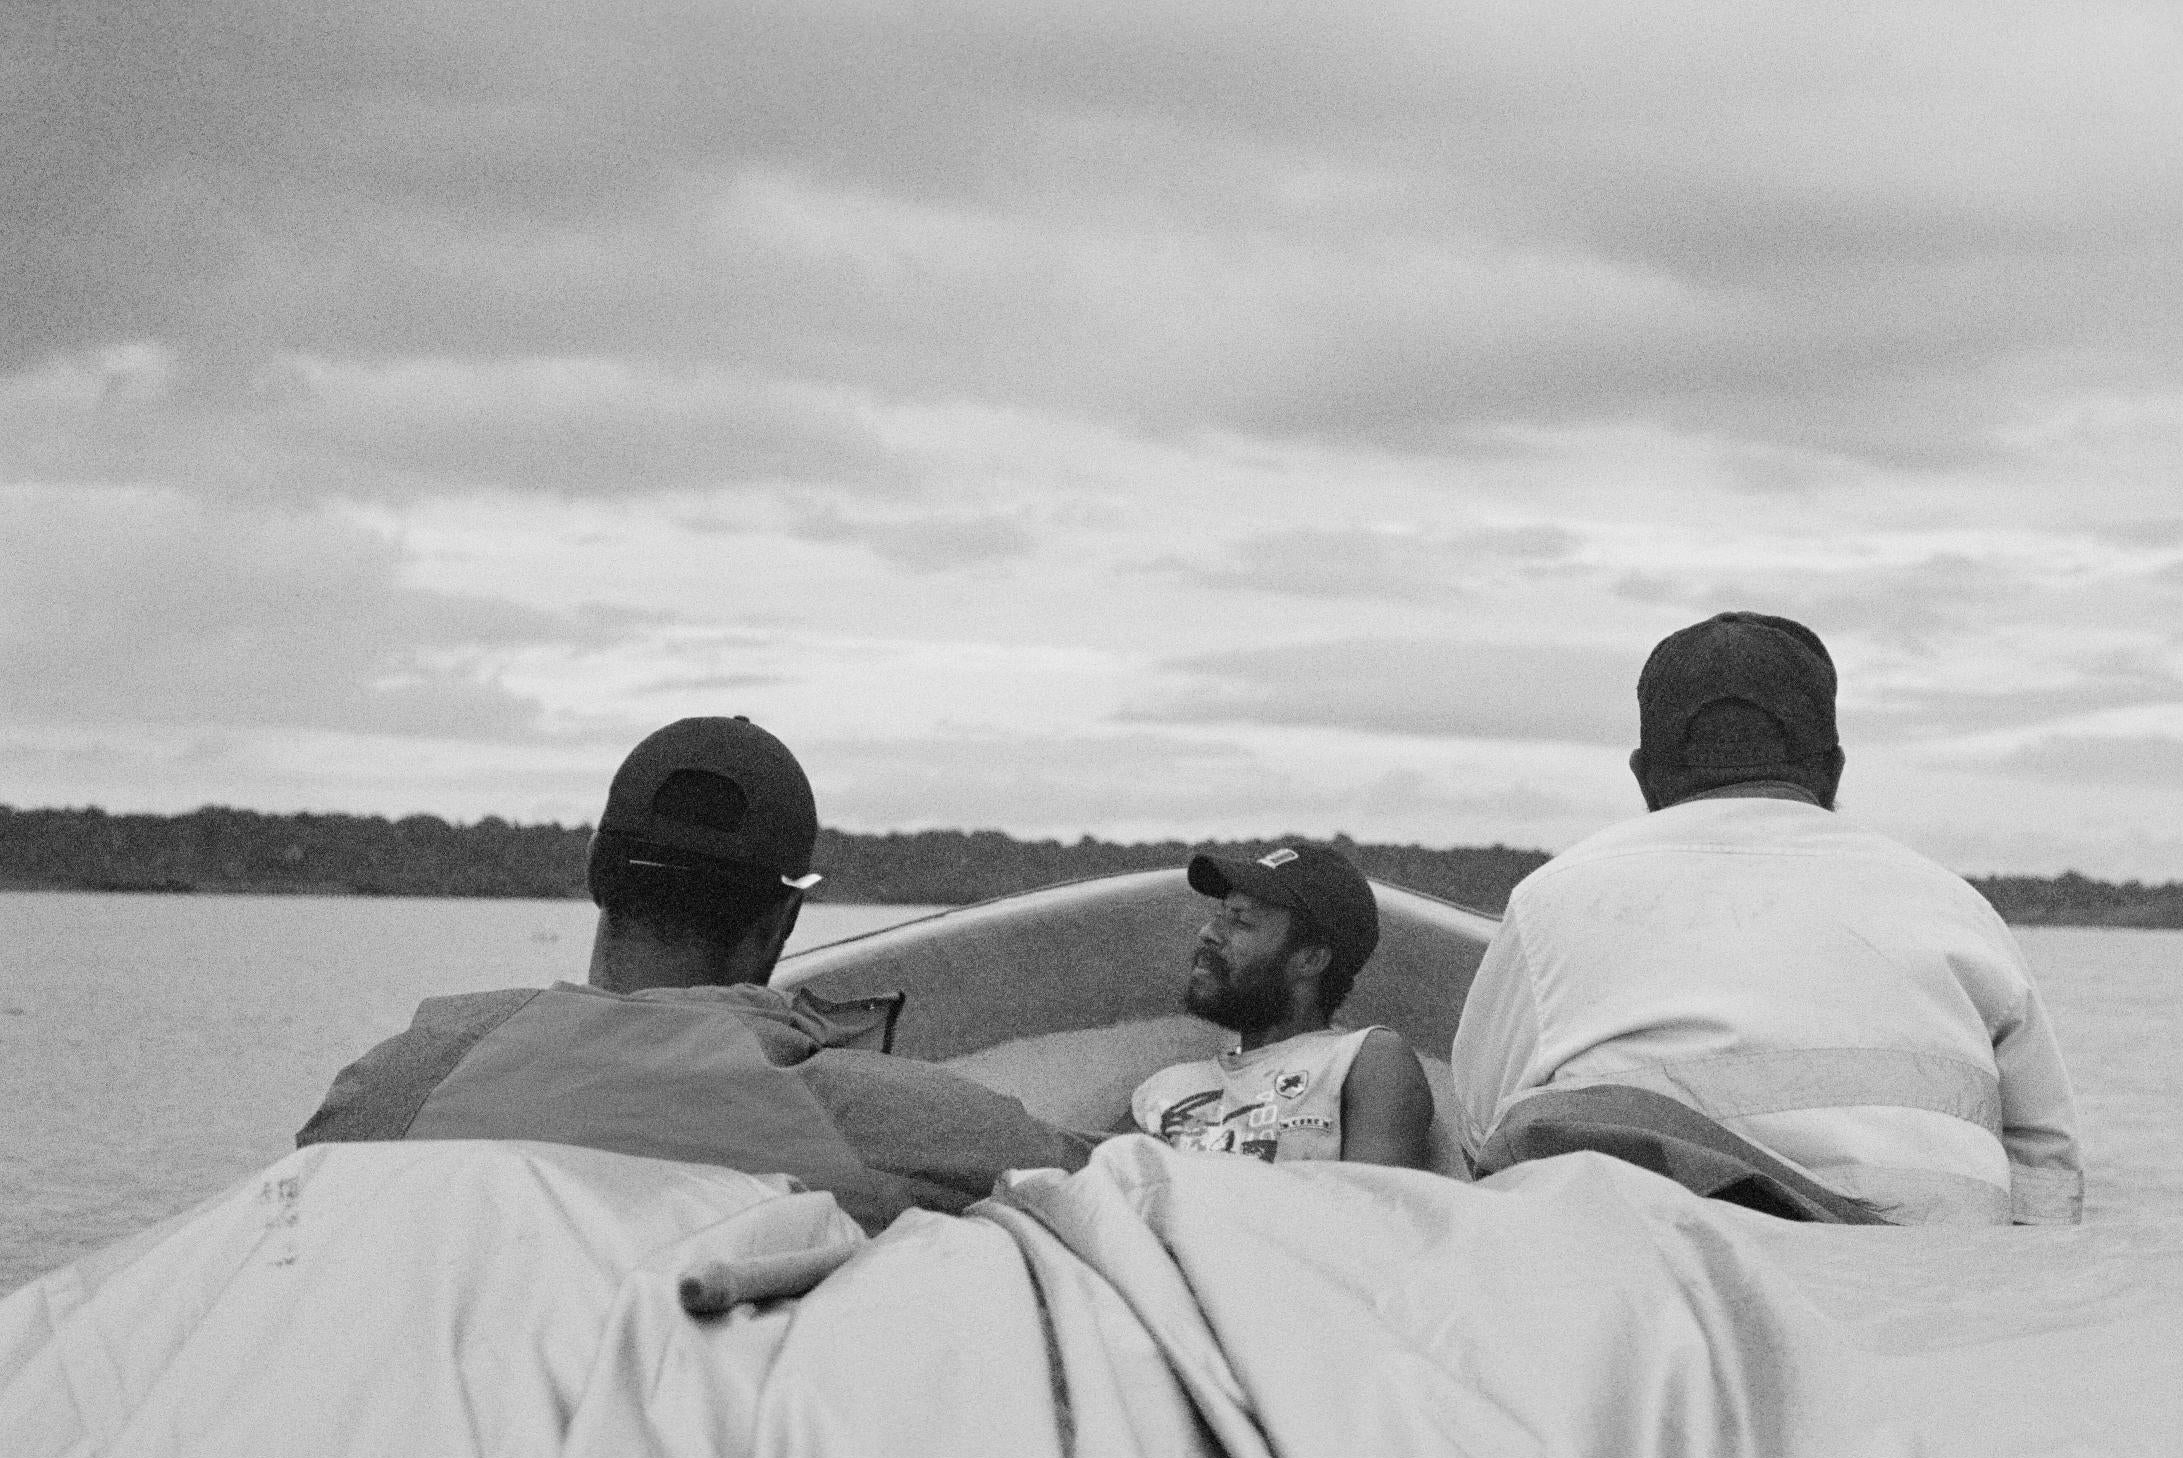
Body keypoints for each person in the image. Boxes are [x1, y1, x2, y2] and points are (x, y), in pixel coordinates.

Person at [295, 715, 1090, 1232]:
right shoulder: (860, 1114)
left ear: (598, 878)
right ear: (782, 920)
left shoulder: (402, 1080)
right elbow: (1096, 1179)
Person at [1452, 613, 2084, 1224]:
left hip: (1675, 1287)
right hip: (1933, 1286)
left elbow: (1482, 1138)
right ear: (1833, 771)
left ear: (1643, 778)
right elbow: (2046, 1179)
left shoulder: (1551, 902)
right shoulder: (1960, 909)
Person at [1130, 843, 1439, 1170]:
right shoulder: (1166, 1087)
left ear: (1310, 959)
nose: (1208, 933)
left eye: (1240, 920)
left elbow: (1377, 1210)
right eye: (1219, 915)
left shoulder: (1362, 1060)